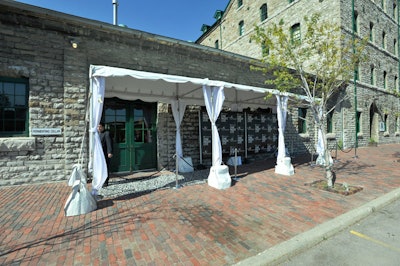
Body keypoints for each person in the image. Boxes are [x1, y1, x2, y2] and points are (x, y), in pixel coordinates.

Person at [98, 123, 113, 187]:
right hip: (99, 154)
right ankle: (101, 180)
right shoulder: (97, 134)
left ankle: (106, 181)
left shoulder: (106, 133)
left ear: (103, 127)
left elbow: (109, 143)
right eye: (98, 127)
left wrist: (109, 152)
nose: (99, 128)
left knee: (106, 167)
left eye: (100, 127)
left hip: (105, 154)